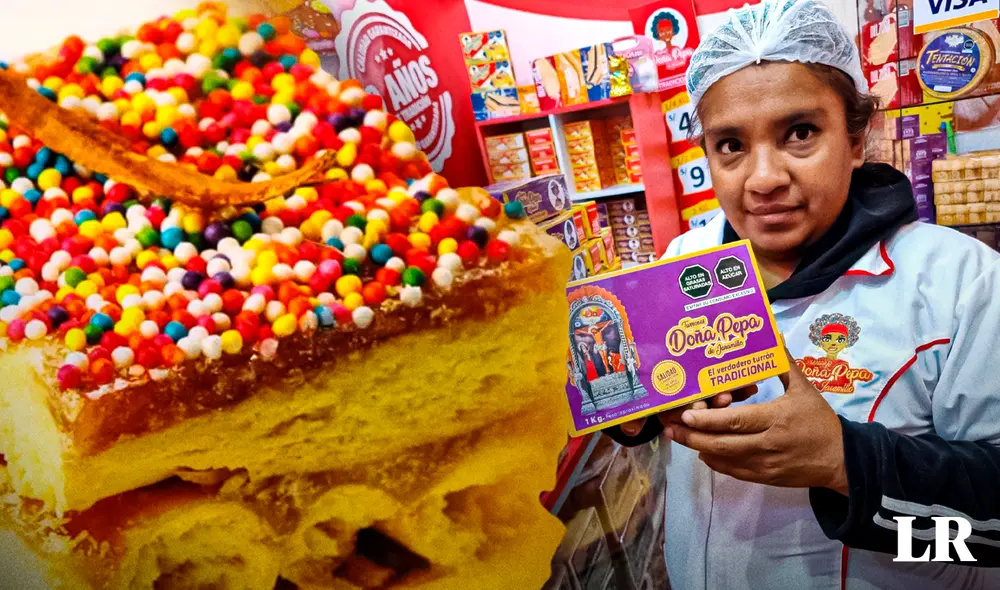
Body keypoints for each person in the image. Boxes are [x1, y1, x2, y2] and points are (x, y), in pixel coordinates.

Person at [604, 0, 1000, 587]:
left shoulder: (958, 282)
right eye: (730, 145)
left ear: (857, 137)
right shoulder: (684, 263)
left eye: (800, 132)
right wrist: (630, 410)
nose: (763, 178)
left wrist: (848, 463)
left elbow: (990, 536)